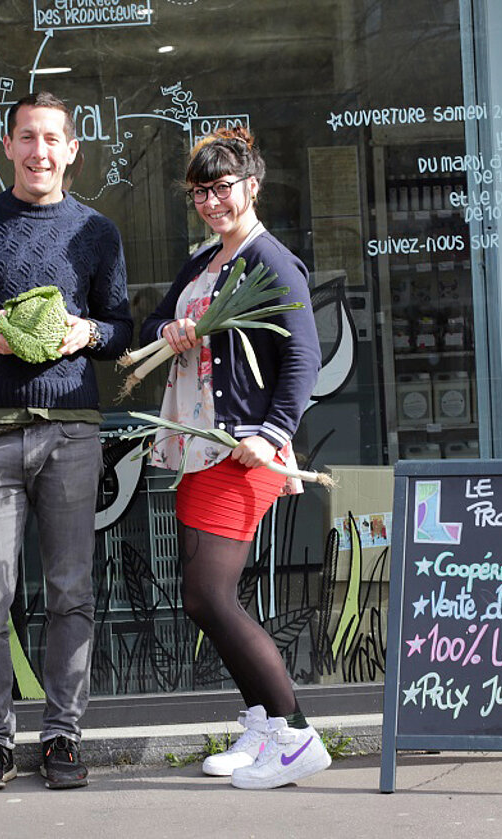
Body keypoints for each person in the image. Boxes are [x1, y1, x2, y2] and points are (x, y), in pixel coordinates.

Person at [0, 91, 132, 793]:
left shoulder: (96, 232)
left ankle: (63, 735)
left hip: (71, 433)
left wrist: (89, 334)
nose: (40, 152)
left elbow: (122, 326)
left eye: (53, 140)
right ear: (6, 146)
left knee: (70, 592)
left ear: (73, 150)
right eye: (27, 138)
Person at [139, 127, 327, 790]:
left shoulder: (272, 262)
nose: (213, 200)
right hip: (202, 448)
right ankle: (262, 722)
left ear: (252, 183)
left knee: (210, 594)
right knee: (202, 597)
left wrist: (273, 432)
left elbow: (305, 356)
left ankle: (296, 732)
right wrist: (168, 330)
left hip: (246, 449)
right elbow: (151, 326)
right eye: (201, 190)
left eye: (223, 186)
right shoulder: (203, 262)